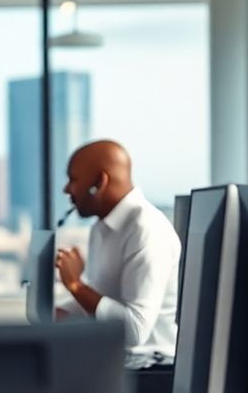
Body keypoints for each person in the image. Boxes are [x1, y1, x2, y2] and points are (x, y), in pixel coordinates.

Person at [54, 139, 181, 355]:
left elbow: (135, 331)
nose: (66, 189)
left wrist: (76, 285)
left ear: (99, 182)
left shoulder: (146, 229)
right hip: (114, 357)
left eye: (73, 180)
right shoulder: (100, 228)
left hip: (149, 365)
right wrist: (54, 314)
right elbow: (100, 303)